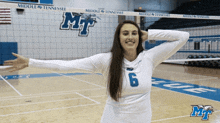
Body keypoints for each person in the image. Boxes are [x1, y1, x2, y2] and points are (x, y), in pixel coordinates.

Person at [3, 20, 189, 123]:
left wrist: (150, 34)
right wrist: (30, 62)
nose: (130, 37)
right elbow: (66, 66)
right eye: (125, 33)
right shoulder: (105, 60)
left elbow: (183, 36)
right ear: (118, 37)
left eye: (134, 33)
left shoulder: (150, 57)